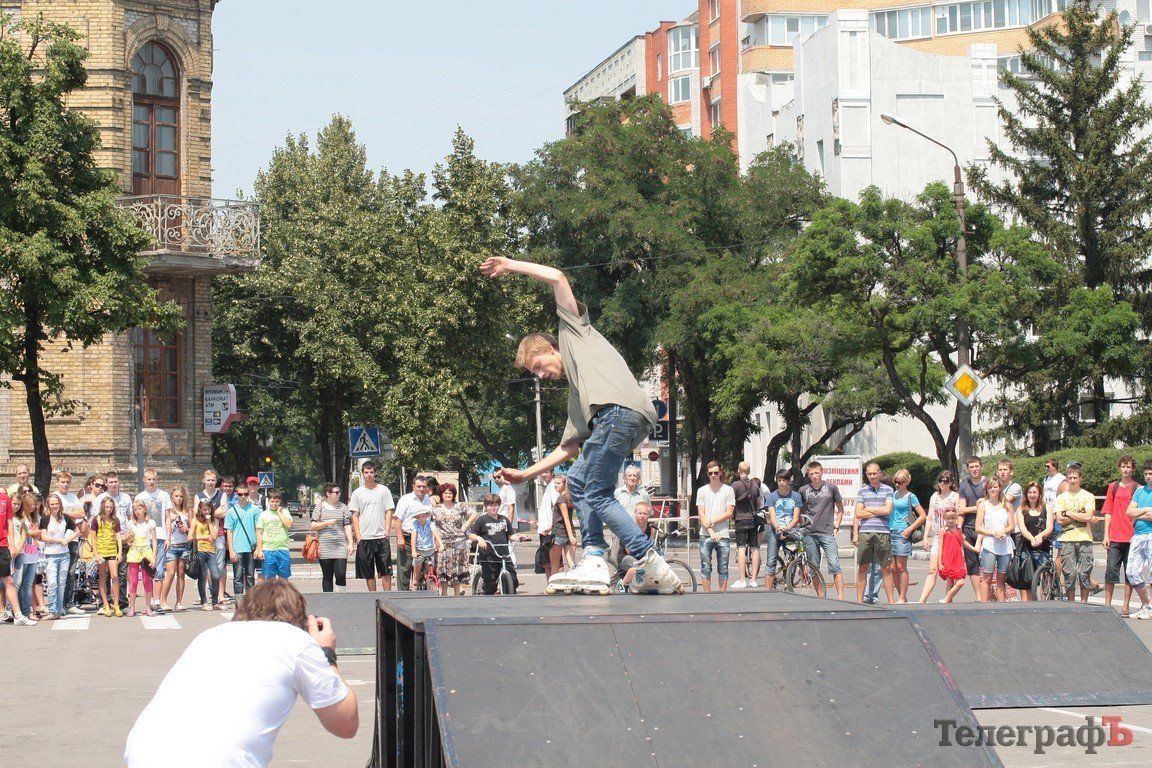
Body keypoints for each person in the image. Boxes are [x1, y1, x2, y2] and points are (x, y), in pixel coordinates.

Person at [481, 255, 680, 594]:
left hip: (617, 415)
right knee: (576, 477)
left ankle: (640, 557)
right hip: (628, 419)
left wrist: (509, 266)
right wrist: (526, 474)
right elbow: (568, 447)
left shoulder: (574, 334)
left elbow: (558, 277)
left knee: (597, 493)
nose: (540, 375)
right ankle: (597, 557)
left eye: (538, 365)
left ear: (551, 348)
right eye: (534, 374)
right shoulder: (579, 395)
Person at [124, 579, 358, 767]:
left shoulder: (210, 636)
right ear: (299, 620)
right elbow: (346, 724)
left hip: (143, 754)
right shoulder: (295, 640)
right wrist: (326, 653)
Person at [797, 460, 845, 600]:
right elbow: (799, 511)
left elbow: (840, 508)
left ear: (822, 472)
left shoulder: (831, 488)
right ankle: (820, 597)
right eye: (811, 474)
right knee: (814, 567)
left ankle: (840, 597)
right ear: (808, 474)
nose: (814, 476)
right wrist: (801, 526)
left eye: (817, 473)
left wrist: (836, 525)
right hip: (809, 533)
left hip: (827, 531)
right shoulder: (803, 490)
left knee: (834, 565)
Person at [348, 461, 395, 592]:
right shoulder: (357, 493)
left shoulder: (384, 490)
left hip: (381, 537)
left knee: (386, 570)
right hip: (365, 537)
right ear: (362, 474)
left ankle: (387, 597)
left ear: (375, 473)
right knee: (368, 572)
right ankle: (373, 596)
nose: (369, 475)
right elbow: (355, 515)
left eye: (371, 472)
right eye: (366, 472)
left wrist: (386, 533)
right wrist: (358, 536)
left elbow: (389, 511)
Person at [853, 462, 895, 604]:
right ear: (866, 475)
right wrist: (878, 511)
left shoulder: (888, 490)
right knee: (863, 566)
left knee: (886, 567)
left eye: (874, 473)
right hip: (865, 532)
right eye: (869, 474)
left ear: (880, 473)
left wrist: (868, 509)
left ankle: (891, 602)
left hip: (883, 532)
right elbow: (858, 513)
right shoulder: (862, 491)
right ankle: (859, 601)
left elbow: (887, 510)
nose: (872, 476)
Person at [1055, 465, 1097, 602]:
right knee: (1069, 573)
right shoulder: (1061, 498)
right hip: (1067, 538)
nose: (1073, 480)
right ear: (1067, 479)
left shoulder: (1088, 496)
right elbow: (1060, 520)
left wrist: (1068, 513)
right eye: (1070, 478)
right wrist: (1079, 515)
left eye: (1075, 477)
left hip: (1085, 538)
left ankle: (1084, 602)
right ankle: (1071, 603)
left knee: (1084, 572)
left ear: (1080, 478)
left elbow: (1088, 517)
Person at [1103, 455, 1138, 617]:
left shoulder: (1137, 488)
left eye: (1128, 467)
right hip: (1115, 536)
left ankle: (1125, 606)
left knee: (1129, 573)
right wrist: (1105, 535)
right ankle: (1107, 605)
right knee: (1111, 572)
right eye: (1123, 466)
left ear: (1133, 469)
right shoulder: (1113, 487)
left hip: (1131, 537)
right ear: (1120, 468)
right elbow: (1108, 511)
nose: (1126, 470)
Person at [918, 471, 959, 604]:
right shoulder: (934, 496)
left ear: (951, 483)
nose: (942, 483)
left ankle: (948, 599)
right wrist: (926, 537)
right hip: (937, 536)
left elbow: (958, 516)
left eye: (946, 481)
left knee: (949, 572)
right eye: (941, 480)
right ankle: (922, 599)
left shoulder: (954, 496)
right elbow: (930, 518)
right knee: (932, 569)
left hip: (950, 535)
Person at [468, 493, 520, 594]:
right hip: (489, 556)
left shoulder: (504, 519)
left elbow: (510, 535)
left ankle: (510, 597)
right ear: (486, 507)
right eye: (490, 505)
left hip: (504, 555)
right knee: (490, 583)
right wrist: (479, 539)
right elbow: (471, 535)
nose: (493, 508)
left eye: (496, 505)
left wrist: (519, 537)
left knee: (512, 580)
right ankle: (487, 596)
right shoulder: (482, 520)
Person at [696, 461, 735, 593]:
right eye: (710, 473)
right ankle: (707, 595)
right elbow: (701, 514)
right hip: (705, 534)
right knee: (705, 567)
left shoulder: (728, 490)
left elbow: (729, 513)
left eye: (716, 473)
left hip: (723, 534)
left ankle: (722, 595)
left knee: (723, 567)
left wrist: (711, 521)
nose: (713, 475)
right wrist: (711, 531)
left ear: (720, 473)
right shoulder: (701, 491)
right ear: (707, 474)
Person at [889, 469, 926, 603]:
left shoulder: (911, 496)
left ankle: (902, 596)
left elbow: (922, 516)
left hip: (902, 532)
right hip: (891, 530)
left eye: (900, 482)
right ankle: (901, 595)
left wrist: (909, 529)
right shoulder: (893, 494)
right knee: (892, 567)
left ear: (907, 482)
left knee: (901, 566)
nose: (897, 484)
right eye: (896, 482)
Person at [762, 469, 801, 593]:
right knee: (771, 560)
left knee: (804, 542)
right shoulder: (772, 496)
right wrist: (779, 528)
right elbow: (772, 517)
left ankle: (802, 568)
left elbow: (796, 517)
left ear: (788, 481)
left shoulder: (796, 496)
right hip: (777, 529)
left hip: (791, 528)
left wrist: (788, 528)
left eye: (784, 480)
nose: (782, 483)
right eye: (779, 480)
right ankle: (767, 591)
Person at [975, 477, 1014, 602]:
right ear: (987, 489)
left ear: (1000, 488)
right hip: (989, 545)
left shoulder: (1007, 505)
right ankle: (985, 605)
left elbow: (1012, 526)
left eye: (995, 487)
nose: (993, 489)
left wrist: (1003, 532)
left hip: (1004, 545)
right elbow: (978, 527)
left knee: (1001, 578)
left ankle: (1001, 606)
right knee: (987, 577)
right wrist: (992, 533)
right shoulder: (983, 505)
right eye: (990, 487)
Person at [53, 471, 86, 615]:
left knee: (71, 572)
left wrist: (65, 512)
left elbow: (82, 514)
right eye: (62, 482)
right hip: (60, 540)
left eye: (67, 482)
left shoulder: (73, 497)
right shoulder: (55, 496)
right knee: (60, 573)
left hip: (73, 538)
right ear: (57, 482)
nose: (65, 485)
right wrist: (69, 513)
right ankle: (58, 603)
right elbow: (55, 513)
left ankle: (69, 602)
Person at [40, 493, 77, 619]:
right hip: (51, 555)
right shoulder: (45, 518)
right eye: (52, 504)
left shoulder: (65, 518)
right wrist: (58, 540)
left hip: (64, 554)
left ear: (60, 504)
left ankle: (60, 609)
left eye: (57, 503)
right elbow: (44, 537)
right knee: (52, 583)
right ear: (48, 505)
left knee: (61, 583)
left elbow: (79, 530)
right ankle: (52, 609)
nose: (55, 506)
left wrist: (68, 539)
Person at [393, 476, 434, 592]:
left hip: (423, 540)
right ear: (413, 487)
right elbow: (397, 519)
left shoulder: (428, 500)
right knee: (405, 569)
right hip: (407, 537)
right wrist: (400, 537)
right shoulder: (406, 499)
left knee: (422, 571)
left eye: (424, 486)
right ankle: (403, 596)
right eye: (419, 486)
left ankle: (421, 597)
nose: (421, 489)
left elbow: (430, 521)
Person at [432, 483, 473, 596]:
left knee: (457, 569)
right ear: (441, 494)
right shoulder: (435, 509)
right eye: (445, 492)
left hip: (458, 542)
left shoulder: (460, 506)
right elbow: (431, 525)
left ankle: (457, 594)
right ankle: (444, 594)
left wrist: (465, 526)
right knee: (443, 569)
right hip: (443, 543)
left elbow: (473, 514)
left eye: (450, 493)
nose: (448, 495)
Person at [312, 483, 354, 594]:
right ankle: (328, 599)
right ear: (328, 494)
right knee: (327, 575)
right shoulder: (320, 507)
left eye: (339, 492)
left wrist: (350, 544)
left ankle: (340, 597)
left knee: (341, 574)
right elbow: (313, 525)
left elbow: (347, 526)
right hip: (324, 546)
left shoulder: (343, 507)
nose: (338, 494)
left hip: (340, 546)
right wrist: (326, 523)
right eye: (336, 492)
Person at [1015, 482, 1053, 602]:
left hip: (1043, 546)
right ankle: (1029, 603)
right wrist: (1032, 539)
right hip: (1026, 546)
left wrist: (1040, 536)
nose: (1032, 495)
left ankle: (1045, 598)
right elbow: (1022, 528)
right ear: (1026, 494)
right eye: (1030, 492)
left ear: (1039, 494)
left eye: (1034, 492)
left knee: (1045, 575)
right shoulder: (1021, 509)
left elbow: (1049, 527)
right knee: (1027, 578)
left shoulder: (1046, 507)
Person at [956, 457, 987, 599]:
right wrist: (959, 528)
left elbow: (988, 507)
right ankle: (979, 597)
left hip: (986, 528)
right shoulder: (964, 485)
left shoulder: (988, 483)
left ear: (981, 467)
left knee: (987, 563)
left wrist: (968, 509)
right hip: (968, 528)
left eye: (977, 466)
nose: (974, 469)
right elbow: (960, 510)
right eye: (971, 467)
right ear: (968, 469)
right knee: (972, 564)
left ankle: (989, 595)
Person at [1124, 460, 1152, 620]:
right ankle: (1146, 604)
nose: (1148, 477)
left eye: (1151, 474)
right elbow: (1129, 512)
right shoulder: (1140, 491)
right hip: (1138, 535)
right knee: (1132, 571)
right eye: (1146, 474)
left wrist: (1139, 512)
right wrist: (1147, 510)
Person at [730, 462, 763, 590]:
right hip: (753, 520)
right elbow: (758, 504)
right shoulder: (755, 485)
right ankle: (753, 580)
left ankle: (742, 579)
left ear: (738, 471)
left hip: (740, 519)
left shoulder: (735, 485)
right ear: (749, 471)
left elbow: (731, 502)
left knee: (741, 549)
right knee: (755, 549)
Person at [226, 485, 262, 600]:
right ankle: (239, 604)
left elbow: (259, 530)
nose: (243, 497)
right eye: (240, 494)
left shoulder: (255, 509)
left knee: (250, 576)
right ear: (236, 494)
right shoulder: (231, 511)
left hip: (251, 548)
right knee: (237, 578)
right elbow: (229, 532)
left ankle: (251, 603)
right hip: (238, 548)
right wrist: (231, 551)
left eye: (245, 494)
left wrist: (258, 548)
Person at [160, 485, 192, 612]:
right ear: (172, 497)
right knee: (170, 573)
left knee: (181, 574)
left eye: (181, 496)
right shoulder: (168, 511)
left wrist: (187, 529)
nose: (179, 498)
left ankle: (179, 602)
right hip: (172, 545)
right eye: (176, 496)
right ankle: (163, 601)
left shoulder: (187, 512)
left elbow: (191, 531)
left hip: (184, 545)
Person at [90, 496, 123, 617]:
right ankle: (105, 603)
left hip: (112, 551)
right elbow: (93, 537)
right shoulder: (97, 519)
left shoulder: (115, 520)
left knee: (114, 576)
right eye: (107, 507)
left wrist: (119, 552)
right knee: (102, 576)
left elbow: (118, 536)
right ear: (103, 507)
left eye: (111, 507)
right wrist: (96, 553)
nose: (108, 509)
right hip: (101, 551)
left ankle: (116, 604)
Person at [125, 500, 158, 617]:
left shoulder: (150, 523)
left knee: (147, 580)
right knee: (133, 581)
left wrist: (153, 557)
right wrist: (128, 538)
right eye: (135, 509)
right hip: (134, 550)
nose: (137, 511)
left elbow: (154, 540)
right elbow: (127, 540)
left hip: (146, 551)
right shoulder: (131, 523)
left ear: (144, 509)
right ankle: (132, 607)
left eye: (139, 509)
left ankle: (148, 607)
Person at [256, 489, 295, 580]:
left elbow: (288, 525)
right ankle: (271, 594)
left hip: (282, 549)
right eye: (272, 501)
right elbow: (259, 532)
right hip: (268, 549)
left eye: (277, 502)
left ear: (280, 501)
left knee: (283, 578)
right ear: (268, 501)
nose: (274, 504)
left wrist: (279, 513)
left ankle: (283, 594)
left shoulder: (285, 512)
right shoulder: (263, 514)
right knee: (270, 578)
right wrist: (259, 549)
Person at [190, 500, 222, 610]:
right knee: (202, 576)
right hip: (200, 550)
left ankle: (215, 601)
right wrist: (203, 537)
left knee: (216, 576)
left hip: (211, 551)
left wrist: (209, 522)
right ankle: (204, 601)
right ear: (200, 510)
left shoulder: (214, 521)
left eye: (208, 509)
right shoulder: (195, 520)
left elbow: (214, 536)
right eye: (204, 509)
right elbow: (190, 537)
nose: (206, 511)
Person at [937, 509, 970, 603]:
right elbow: (940, 547)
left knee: (960, 582)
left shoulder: (958, 529)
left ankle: (946, 599)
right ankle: (948, 601)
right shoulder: (943, 530)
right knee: (950, 581)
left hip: (958, 558)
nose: (950, 520)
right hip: (948, 558)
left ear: (956, 518)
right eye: (948, 518)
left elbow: (963, 542)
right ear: (944, 519)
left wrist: (975, 549)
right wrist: (939, 562)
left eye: (952, 518)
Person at [548, 475, 576, 578]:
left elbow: (566, 519)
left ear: (564, 484)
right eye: (555, 483)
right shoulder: (569, 497)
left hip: (559, 534)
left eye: (558, 483)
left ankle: (551, 588)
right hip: (567, 533)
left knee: (554, 565)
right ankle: (574, 584)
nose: (555, 485)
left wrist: (571, 537)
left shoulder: (561, 498)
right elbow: (562, 519)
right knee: (572, 565)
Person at [408, 508, 443, 591]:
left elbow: (436, 534)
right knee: (416, 576)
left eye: (423, 516)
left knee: (430, 572)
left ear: (426, 516)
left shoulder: (430, 524)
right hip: (419, 551)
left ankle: (430, 585)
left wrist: (441, 545)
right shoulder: (414, 524)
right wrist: (413, 551)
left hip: (429, 550)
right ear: (416, 518)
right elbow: (413, 538)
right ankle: (414, 592)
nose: (421, 518)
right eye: (418, 517)